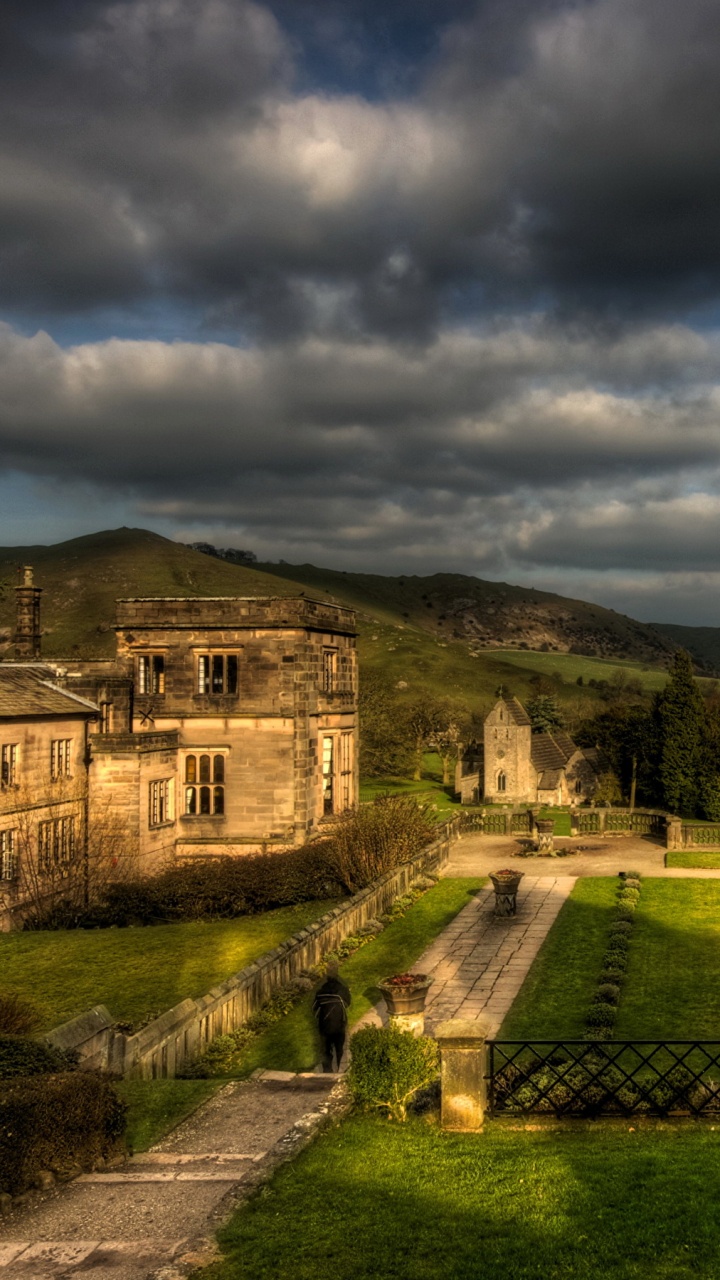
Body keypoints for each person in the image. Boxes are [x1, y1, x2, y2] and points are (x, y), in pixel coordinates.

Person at [312, 961, 351, 1073]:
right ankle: (339, 1069)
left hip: (324, 1026)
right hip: (339, 1024)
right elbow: (348, 1003)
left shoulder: (321, 990)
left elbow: (314, 1008)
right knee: (339, 1048)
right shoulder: (342, 989)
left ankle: (327, 1071)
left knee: (325, 1049)